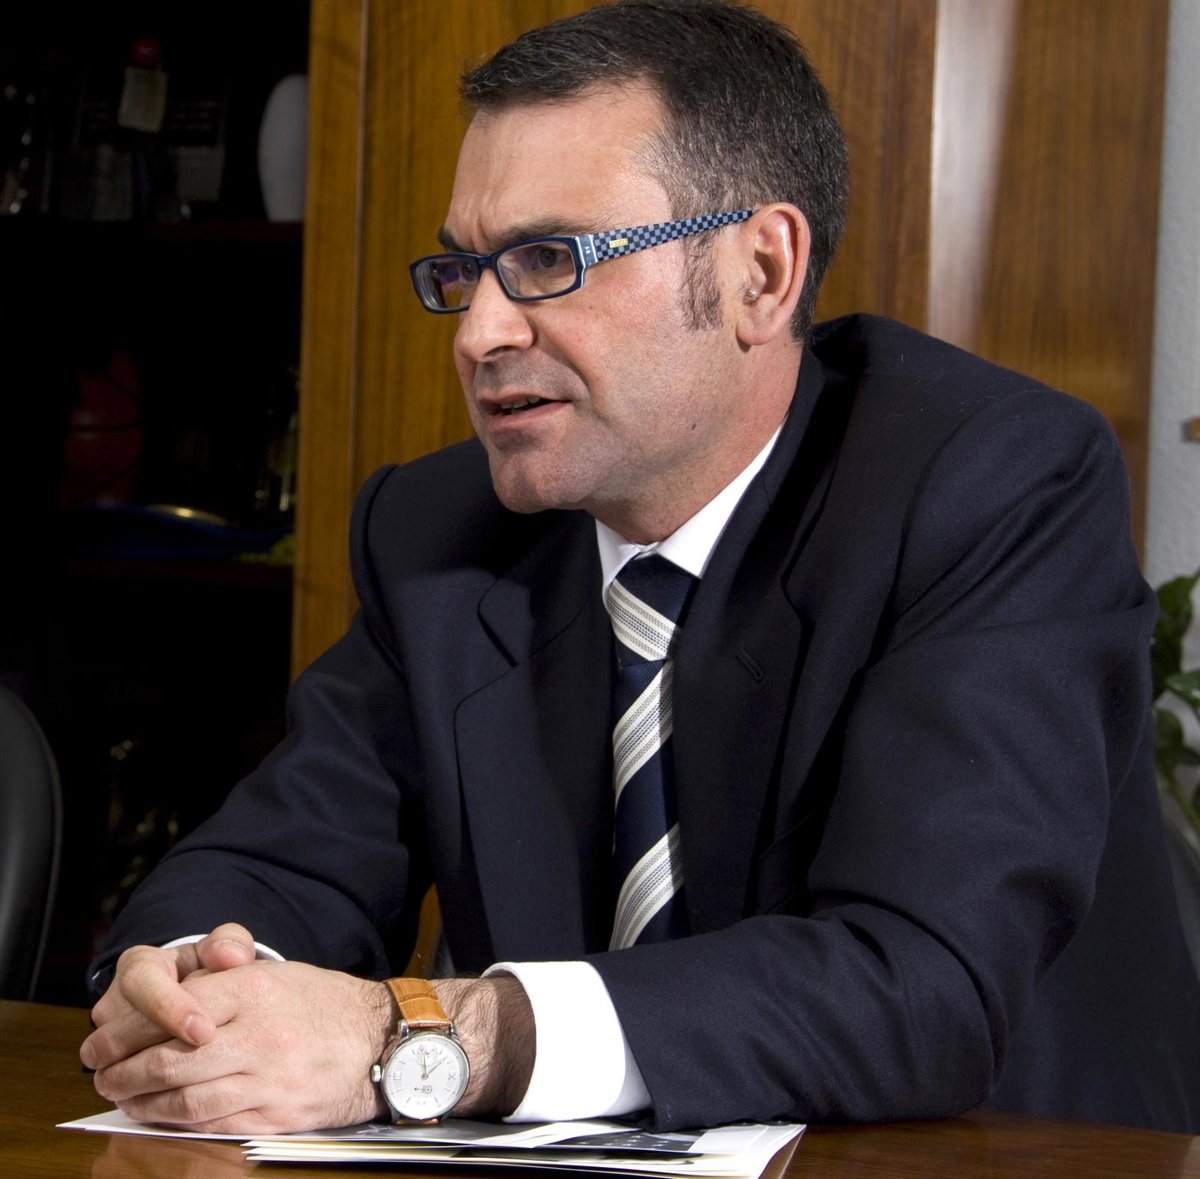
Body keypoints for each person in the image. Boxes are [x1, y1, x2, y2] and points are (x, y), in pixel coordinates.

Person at [79, 0, 1200, 1137]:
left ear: (762, 273)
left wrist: (424, 1039)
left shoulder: (991, 488)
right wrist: (193, 983)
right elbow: (287, 857)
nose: (477, 334)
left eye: (549, 260)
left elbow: (920, 982)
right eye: (466, 269)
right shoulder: (439, 527)